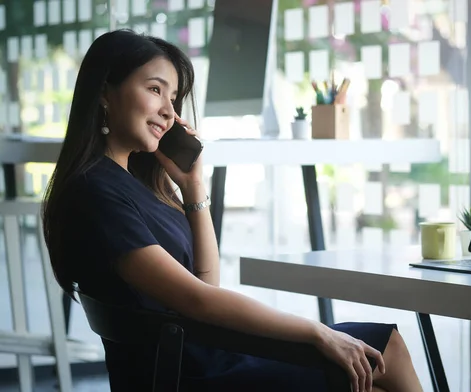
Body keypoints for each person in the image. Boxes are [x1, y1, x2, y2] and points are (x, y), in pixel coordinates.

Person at [41, 29, 423, 392]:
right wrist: (316, 331)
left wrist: (193, 187)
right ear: (106, 91)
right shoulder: (96, 192)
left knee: (372, 375)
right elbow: (198, 300)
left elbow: (206, 286)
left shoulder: (131, 184)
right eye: (155, 90)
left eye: (173, 98)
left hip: (201, 357)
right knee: (384, 346)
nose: (169, 113)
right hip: (186, 374)